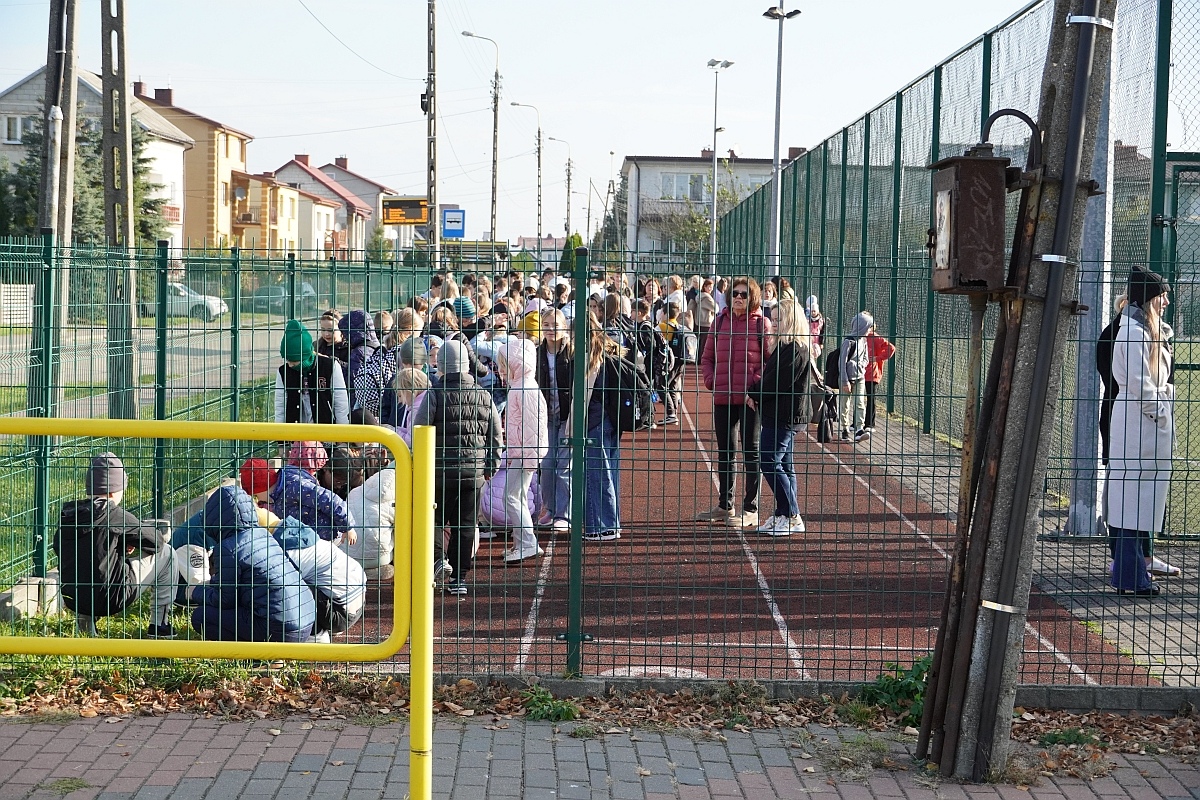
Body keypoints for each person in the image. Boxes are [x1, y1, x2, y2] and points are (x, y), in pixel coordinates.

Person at [1108, 266, 1178, 596]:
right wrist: (1159, 413)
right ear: (1150, 298)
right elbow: (1138, 383)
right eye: (1161, 295)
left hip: (1141, 421)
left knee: (1133, 502)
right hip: (1140, 421)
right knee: (1132, 501)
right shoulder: (1134, 332)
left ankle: (1132, 575)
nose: (1166, 300)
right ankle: (1131, 577)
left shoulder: (1143, 328)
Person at [54, 453, 178, 638]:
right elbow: (157, 542)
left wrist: (117, 546)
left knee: (85, 568)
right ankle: (160, 625)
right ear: (115, 491)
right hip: (113, 598)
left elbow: (65, 548)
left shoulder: (69, 515)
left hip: (75, 598)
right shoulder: (115, 514)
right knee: (168, 554)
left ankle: (85, 627)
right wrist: (128, 540)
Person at [414, 339, 503, 595]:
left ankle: (439, 562)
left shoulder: (434, 394)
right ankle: (459, 579)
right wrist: (491, 466)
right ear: (466, 366)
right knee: (465, 525)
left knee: (435, 521)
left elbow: (420, 431)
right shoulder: (483, 395)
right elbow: (495, 435)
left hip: (439, 473)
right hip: (473, 473)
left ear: (439, 366)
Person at [191, 486, 316, 643]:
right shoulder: (264, 534)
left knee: (201, 616)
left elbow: (225, 600)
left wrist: (197, 592)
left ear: (214, 518)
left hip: (277, 630)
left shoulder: (228, 547)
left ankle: (253, 654)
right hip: (305, 621)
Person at [698, 277, 772, 529]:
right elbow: (706, 358)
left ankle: (750, 509)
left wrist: (756, 386)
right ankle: (724, 504)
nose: (739, 298)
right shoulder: (719, 322)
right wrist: (711, 380)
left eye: (744, 294)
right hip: (723, 397)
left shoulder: (762, 324)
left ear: (752, 298)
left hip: (751, 399)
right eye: (735, 294)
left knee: (751, 452)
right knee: (725, 452)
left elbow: (769, 362)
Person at [747, 298, 812, 536]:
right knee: (784, 464)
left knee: (769, 460)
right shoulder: (784, 347)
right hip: (780, 413)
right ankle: (784, 514)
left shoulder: (795, 349)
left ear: (792, 320)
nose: (774, 324)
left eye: (779, 319)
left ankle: (792, 514)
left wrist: (753, 393)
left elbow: (777, 383)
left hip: (785, 415)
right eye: (773, 319)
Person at [272, 515, 366, 642]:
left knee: (285, 588)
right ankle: (329, 625)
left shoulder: (286, 554)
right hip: (356, 605)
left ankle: (316, 634)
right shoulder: (306, 537)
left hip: (340, 613)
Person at [497, 337, 549, 562]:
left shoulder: (524, 388)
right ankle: (522, 542)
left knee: (511, 496)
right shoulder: (520, 386)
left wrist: (528, 456)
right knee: (513, 495)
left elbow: (533, 427)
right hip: (523, 453)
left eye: (503, 365)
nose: (500, 370)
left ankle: (527, 542)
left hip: (527, 453)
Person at [583, 310, 626, 541]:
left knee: (596, 473)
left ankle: (601, 526)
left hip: (595, 418)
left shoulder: (588, 351)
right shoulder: (611, 345)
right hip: (612, 417)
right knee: (610, 471)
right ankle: (612, 522)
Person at [536, 308, 574, 533]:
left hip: (567, 416)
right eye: (547, 324)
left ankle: (565, 514)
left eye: (555, 324)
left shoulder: (570, 353)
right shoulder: (538, 352)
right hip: (546, 416)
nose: (551, 329)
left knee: (564, 465)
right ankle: (550, 509)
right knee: (547, 464)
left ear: (564, 327)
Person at [275, 319, 350, 427]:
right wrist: (281, 437)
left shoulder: (330, 366)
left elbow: (340, 402)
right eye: (287, 360)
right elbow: (280, 405)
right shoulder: (283, 372)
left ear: (305, 355)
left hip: (326, 430)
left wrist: (342, 433)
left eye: (294, 360)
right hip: (295, 431)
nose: (290, 364)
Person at [270, 456, 357, 546]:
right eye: (338, 482)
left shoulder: (295, 486)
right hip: (313, 536)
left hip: (326, 535)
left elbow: (332, 500)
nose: (339, 486)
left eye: (342, 484)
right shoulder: (292, 488)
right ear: (326, 469)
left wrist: (347, 526)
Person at [838, 311, 873, 443]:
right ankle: (844, 429)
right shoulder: (848, 341)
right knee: (845, 404)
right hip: (846, 378)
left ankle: (859, 429)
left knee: (860, 402)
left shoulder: (864, 340)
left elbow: (866, 358)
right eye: (869, 327)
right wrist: (844, 380)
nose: (870, 330)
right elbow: (841, 362)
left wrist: (861, 366)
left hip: (860, 377)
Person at [657, 301, 688, 425]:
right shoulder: (678, 326)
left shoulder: (662, 326)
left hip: (670, 360)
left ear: (664, 313)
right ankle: (673, 412)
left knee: (662, 385)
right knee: (673, 386)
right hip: (680, 360)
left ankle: (671, 413)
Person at [337, 310, 380, 400]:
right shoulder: (377, 346)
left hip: (359, 402)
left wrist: (336, 366)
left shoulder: (359, 353)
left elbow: (352, 381)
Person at [864, 322, 896, 432]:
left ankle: (870, 424)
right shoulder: (858, 337)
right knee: (857, 399)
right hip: (859, 372)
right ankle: (856, 422)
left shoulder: (875, 338)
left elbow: (891, 348)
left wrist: (878, 358)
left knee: (870, 398)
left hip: (871, 374)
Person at [690, 277, 718, 358]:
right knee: (704, 343)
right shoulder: (707, 298)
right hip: (706, 322)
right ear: (704, 287)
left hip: (699, 321)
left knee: (700, 343)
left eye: (712, 287)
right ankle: (701, 359)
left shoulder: (700, 296)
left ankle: (698, 358)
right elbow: (716, 308)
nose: (710, 289)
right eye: (709, 286)